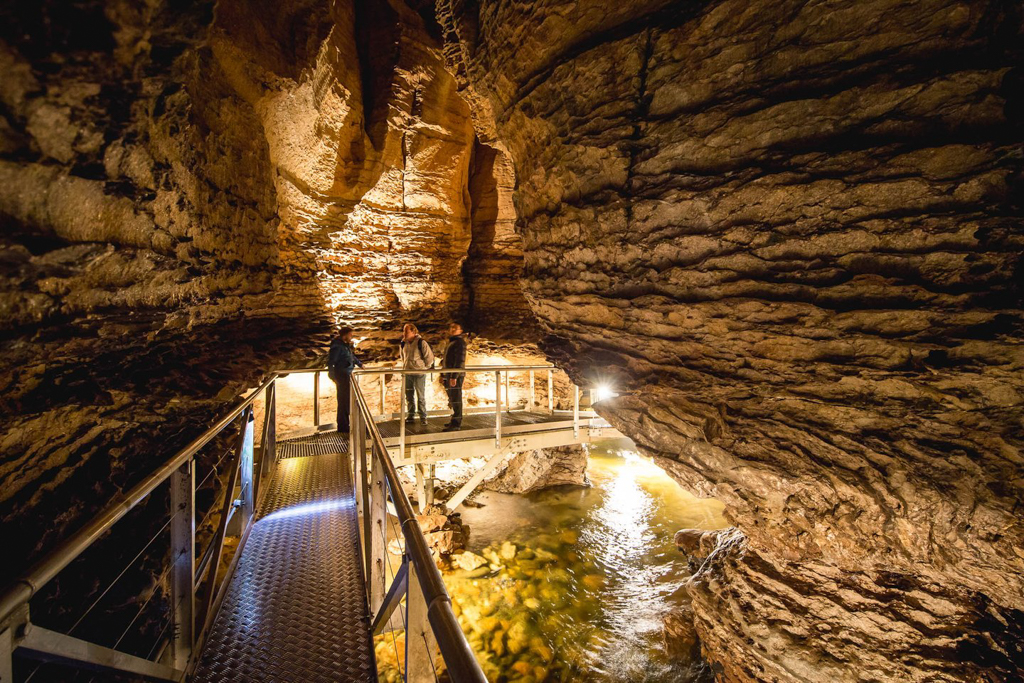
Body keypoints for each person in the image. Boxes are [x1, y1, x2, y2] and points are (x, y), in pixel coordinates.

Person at [327, 327, 363, 433]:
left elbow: (350, 356)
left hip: (347, 375)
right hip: (342, 376)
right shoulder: (337, 347)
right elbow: (331, 362)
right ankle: (343, 426)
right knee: (343, 401)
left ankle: (346, 425)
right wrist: (333, 376)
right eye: (350, 334)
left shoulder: (344, 346)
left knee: (347, 400)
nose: (351, 336)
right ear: (345, 335)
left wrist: (360, 364)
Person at [399, 323, 433, 425]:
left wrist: (422, 368)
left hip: (419, 373)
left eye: (407, 331)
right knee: (409, 395)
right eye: (404, 331)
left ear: (414, 332)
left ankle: (423, 416)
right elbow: (403, 357)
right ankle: (411, 415)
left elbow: (429, 358)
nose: (404, 333)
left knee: (420, 395)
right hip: (407, 373)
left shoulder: (421, 343)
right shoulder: (403, 343)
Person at [441, 322, 466, 431]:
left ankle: (456, 423)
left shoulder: (460, 343)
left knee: (456, 398)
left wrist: (454, 376)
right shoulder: (452, 342)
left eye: (455, 328)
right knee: (452, 398)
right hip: (449, 374)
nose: (452, 329)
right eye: (451, 327)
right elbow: (446, 360)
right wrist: (443, 374)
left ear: (460, 331)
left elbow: (459, 360)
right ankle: (454, 420)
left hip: (455, 375)